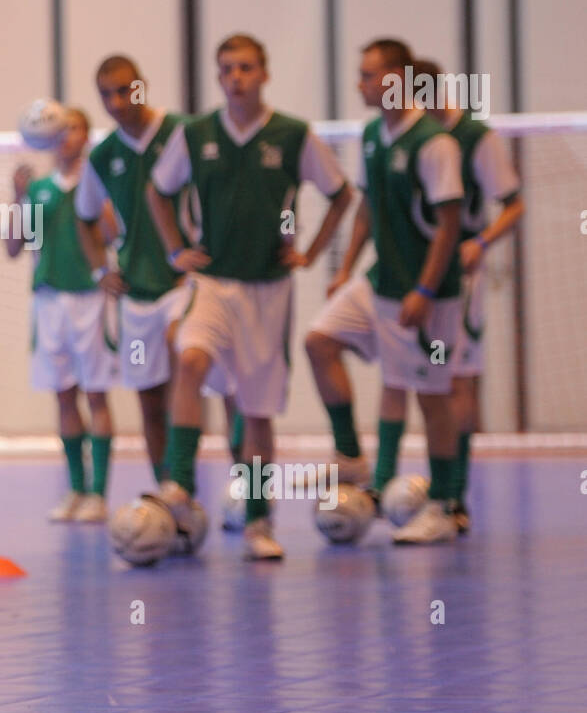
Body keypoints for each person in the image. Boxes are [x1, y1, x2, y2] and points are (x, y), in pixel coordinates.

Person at [147, 34, 351, 560]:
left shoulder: (292, 135)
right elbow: (157, 191)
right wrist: (175, 249)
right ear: (218, 79)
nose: (235, 77)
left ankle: (260, 521)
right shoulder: (196, 134)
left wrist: (309, 251)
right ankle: (181, 485)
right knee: (189, 361)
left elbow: (340, 193)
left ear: (264, 74)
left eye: (245, 68)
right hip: (211, 282)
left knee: (257, 412)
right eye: (226, 69)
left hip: (268, 289)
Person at [305, 39, 464, 545]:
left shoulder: (434, 143)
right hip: (380, 283)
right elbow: (368, 207)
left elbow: (449, 224)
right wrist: (346, 267)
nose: (361, 84)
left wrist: (424, 288)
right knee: (318, 340)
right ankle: (353, 458)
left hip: (428, 293)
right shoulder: (372, 134)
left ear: (398, 78)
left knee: (430, 395)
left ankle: (443, 505)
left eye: (370, 75)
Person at [373, 58, 524, 531]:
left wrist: (479, 242)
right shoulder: (397, 138)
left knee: (456, 378)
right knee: (394, 375)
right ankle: (380, 483)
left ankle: (453, 497)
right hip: (405, 277)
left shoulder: (475, 139)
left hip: (456, 279)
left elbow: (513, 204)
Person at [74, 56, 190, 488]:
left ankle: (207, 486)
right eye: (107, 94)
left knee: (192, 380)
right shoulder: (104, 156)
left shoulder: (183, 133)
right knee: (150, 401)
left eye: (125, 90)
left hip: (185, 284)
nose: (118, 101)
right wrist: (100, 270)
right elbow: (84, 217)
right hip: (136, 293)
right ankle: (166, 489)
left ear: (142, 86)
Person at [6, 109, 117, 522]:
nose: (66, 135)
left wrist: (98, 189)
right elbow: (14, 247)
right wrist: (18, 197)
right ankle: (75, 489)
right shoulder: (37, 190)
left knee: (96, 394)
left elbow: (111, 234)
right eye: (60, 128)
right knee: (63, 395)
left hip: (91, 298)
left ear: (86, 136)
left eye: (74, 128)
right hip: (49, 300)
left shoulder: (97, 184)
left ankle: (99, 495)